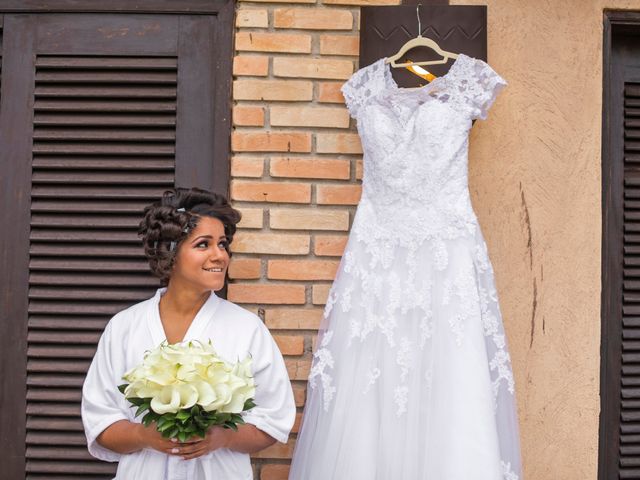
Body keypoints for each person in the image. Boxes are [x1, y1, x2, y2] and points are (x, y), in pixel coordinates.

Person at [81, 187, 295, 480]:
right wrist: (144, 436)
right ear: (171, 252)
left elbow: (273, 418)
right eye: (203, 245)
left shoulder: (247, 329)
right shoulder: (125, 327)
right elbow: (100, 420)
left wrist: (223, 438)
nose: (219, 255)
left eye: (222, 244)